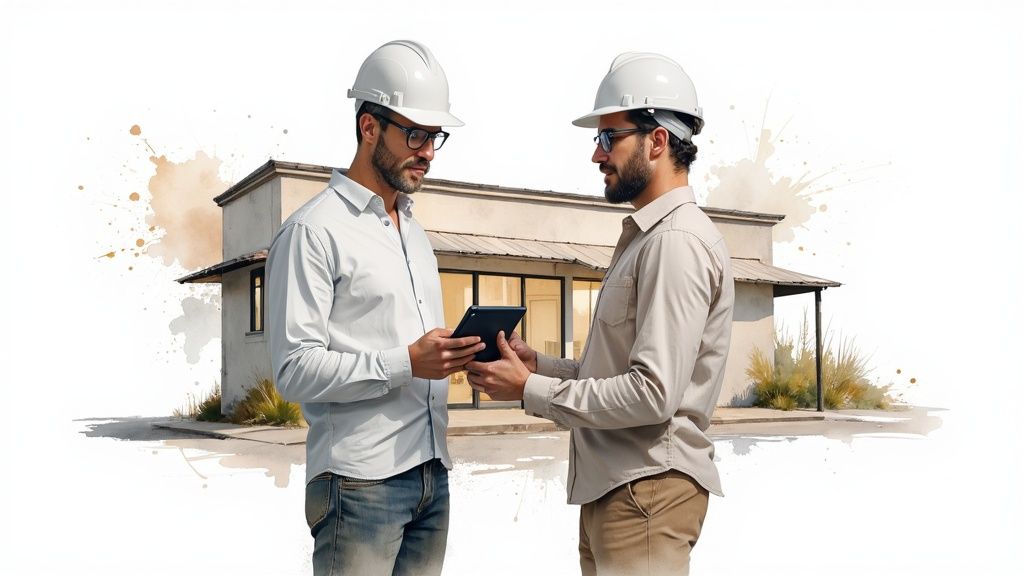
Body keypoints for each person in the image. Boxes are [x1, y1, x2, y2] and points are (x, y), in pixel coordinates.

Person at [467, 52, 734, 576]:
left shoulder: (676, 242)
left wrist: (527, 390)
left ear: (657, 142)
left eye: (609, 137)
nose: (596, 154)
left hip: (646, 493)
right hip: (621, 491)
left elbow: (652, 393)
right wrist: (537, 364)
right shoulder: (648, 238)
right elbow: (618, 374)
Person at [266, 39, 483, 576]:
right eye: (415, 134)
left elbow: (416, 349)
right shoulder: (312, 232)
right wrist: (407, 361)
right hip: (360, 486)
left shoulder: (413, 232)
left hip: (432, 475)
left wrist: (458, 357)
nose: (428, 151)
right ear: (369, 128)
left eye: (435, 137)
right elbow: (293, 370)